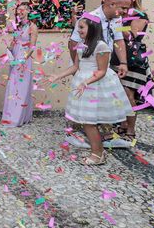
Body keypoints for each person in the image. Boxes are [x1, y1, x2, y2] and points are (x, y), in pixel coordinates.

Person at [50, 18, 133, 165]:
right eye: (78, 28)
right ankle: (98, 151)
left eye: (81, 27)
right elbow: (75, 67)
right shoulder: (81, 46)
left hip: (96, 85)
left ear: (93, 28)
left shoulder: (101, 46)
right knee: (86, 121)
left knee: (89, 122)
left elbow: (101, 71)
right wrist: (57, 75)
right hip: (83, 84)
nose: (79, 31)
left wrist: (86, 82)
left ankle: (97, 154)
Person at [67, 0, 131, 147]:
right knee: (85, 102)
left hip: (105, 68)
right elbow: (73, 43)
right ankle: (74, 134)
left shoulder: (117, 19)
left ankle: (107, 136)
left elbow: (119, 40)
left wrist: (123, 62)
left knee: (105, 101)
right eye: (123, 8)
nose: (125, 12)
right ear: (111, 4)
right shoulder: (89, 18)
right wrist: (78, 67)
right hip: (89, 69)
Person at [119, 0, 151, 141]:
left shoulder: (140, 16)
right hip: (118, 57)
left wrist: (118, 23)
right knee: (119, 93)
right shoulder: (121, 14)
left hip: (133, 59)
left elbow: (132, 36)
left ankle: (130, 130)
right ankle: (123, 124)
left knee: (128, 93)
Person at [1, 2, 38, 127]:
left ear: (28, 11)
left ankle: (17, 118)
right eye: (18, 10)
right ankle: (11, 116)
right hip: (15, 57)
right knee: (13, 86)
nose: (19, 12)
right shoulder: (18, 27)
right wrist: (8, 50)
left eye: (22, 10)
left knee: (20, 88)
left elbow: (32, 46)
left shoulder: (32, 27)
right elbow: (14, 42)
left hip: (23, 59)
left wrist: (23, 59)